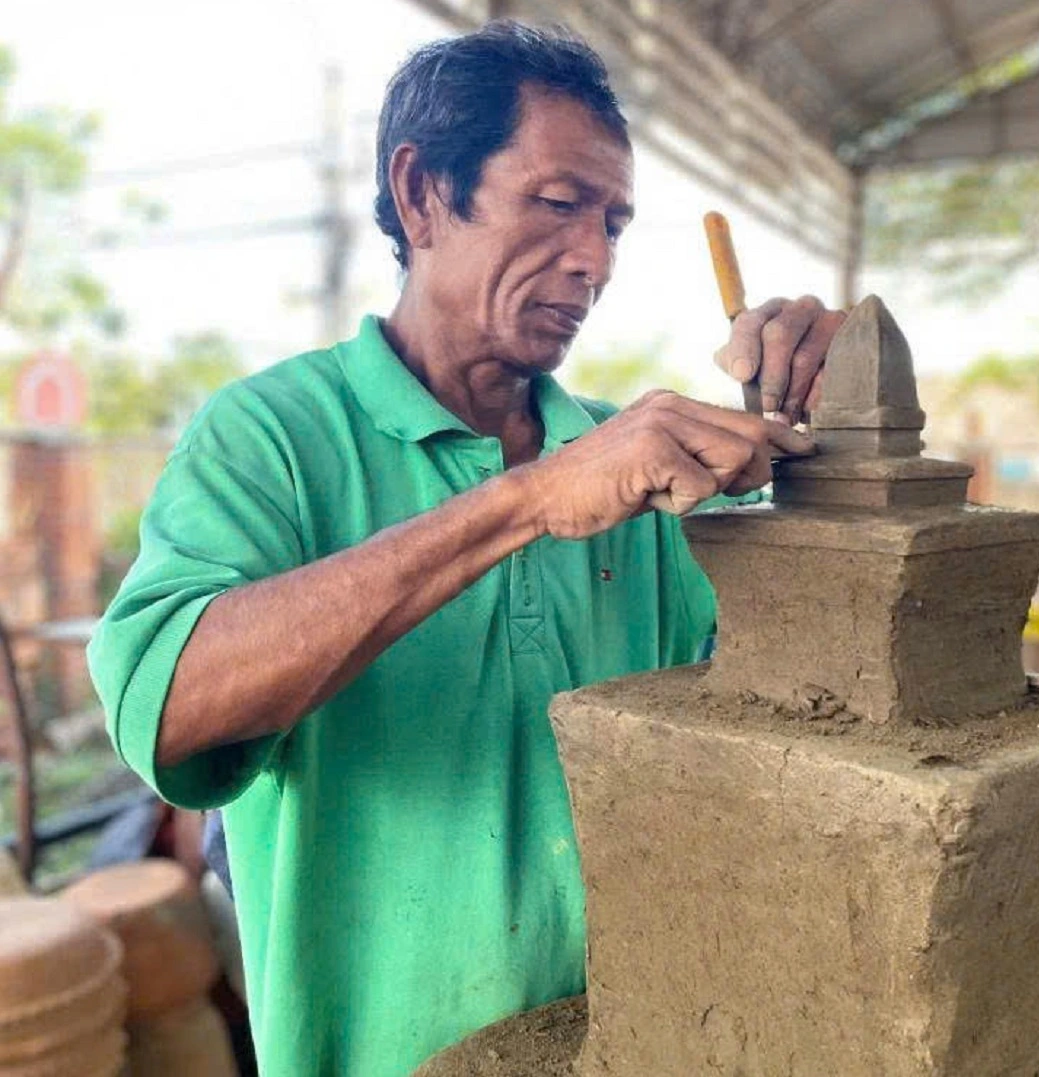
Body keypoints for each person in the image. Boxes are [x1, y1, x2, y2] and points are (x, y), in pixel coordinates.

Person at [88, 22, 844, 1077]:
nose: (595, 261)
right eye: (559, 203)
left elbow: (828, 650)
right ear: (422, 194)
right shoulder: (271, 438)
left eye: (615, 223)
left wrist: (835, 421)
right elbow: (164, 711)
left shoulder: (637, 468)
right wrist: (524, 501)